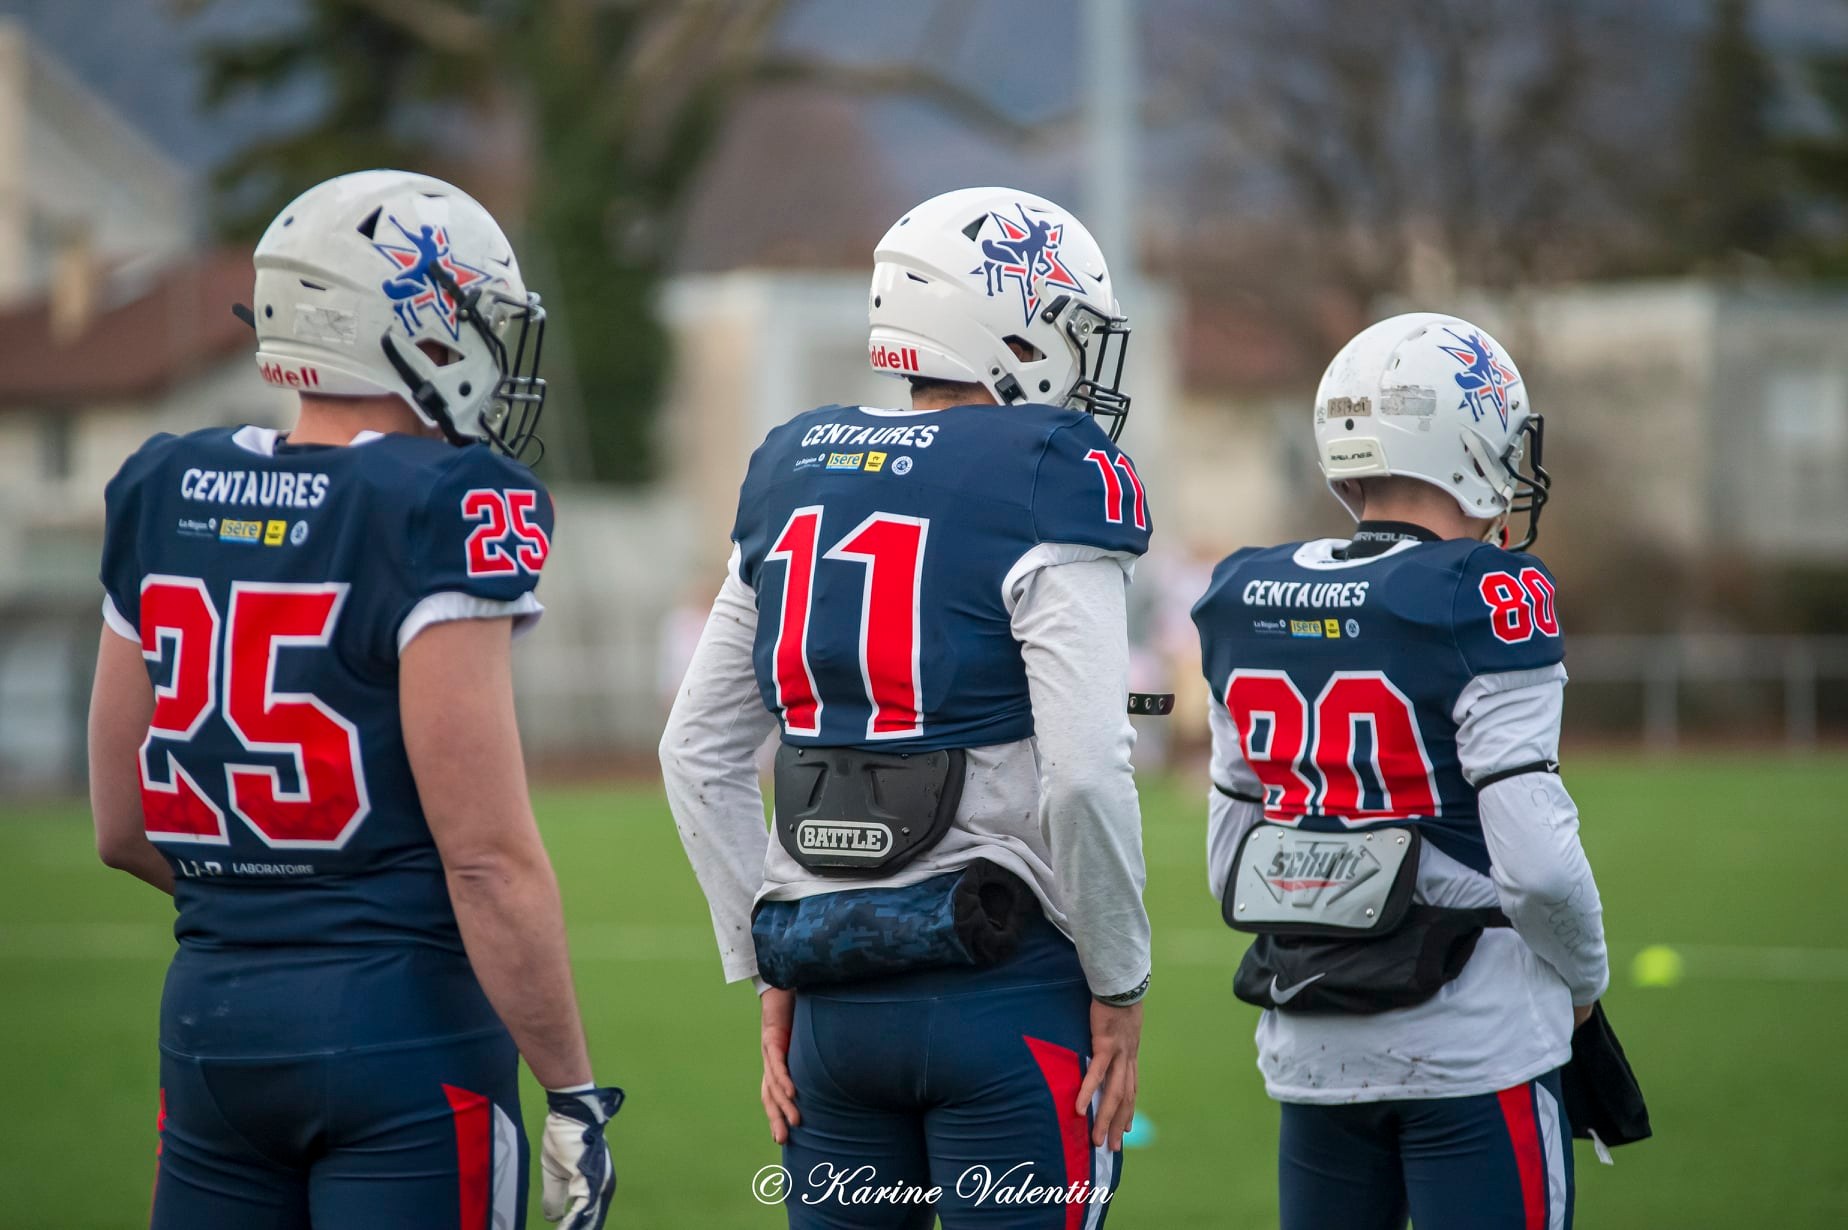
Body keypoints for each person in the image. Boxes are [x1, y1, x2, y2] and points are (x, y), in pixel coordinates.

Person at [87, 169, 621, 1230]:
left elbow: (120, 826)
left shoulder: (163, 487)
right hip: (401, 1028)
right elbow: (486, 860)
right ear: (413, 325)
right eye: (478, 317)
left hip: (211, 1024)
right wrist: (572, 1091)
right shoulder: (439, 501)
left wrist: (269, 919)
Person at [661, 186, 1151, 1228]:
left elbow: (695, 752)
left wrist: (768, 957)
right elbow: (1085, 775)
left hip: (832, 1005)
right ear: (1012, 328)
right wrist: (1119, 985)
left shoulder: (794, 462)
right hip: (1002, 988)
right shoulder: (1051, 471)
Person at [1190, 313, 1610, 1230]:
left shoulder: (1241, 591)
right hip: (1474, 1040)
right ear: (1467, 444)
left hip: (1310, 1042)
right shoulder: (1485, 591)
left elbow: (1229, 867)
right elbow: (1540, 869)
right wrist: (1583, 986)